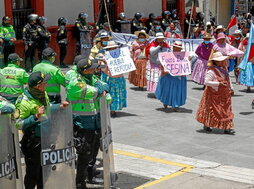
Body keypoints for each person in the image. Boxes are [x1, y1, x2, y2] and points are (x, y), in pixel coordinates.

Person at [15, 71, 69, 189]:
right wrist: (35, 117)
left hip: (46, 138)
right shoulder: (23, 101)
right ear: (38, 86)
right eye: (45, 83)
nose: (47, 84)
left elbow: (48, 109)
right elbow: (18, 124)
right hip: (33, 142)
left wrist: (59, 106)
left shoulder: (42, 93)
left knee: (45, 172)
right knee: (32, 173)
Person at [67, 59, 111, 189]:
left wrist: (103, 89)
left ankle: (89, 175)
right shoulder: (76, 83)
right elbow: (95, 91)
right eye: (92, 69)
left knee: (93, 153)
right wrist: (101, 90)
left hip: (95, 123)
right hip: (83, 124)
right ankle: (80, 182)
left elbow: (105, 87)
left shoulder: (91, 79)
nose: (94, 71)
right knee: (84, 155)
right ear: (85, 71)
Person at [196, 52, 235, 135]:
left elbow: (229, 78)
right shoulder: (211, 71)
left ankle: (227, 127)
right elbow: (206, 82)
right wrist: (218, 84)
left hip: (224, 94)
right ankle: (207, 124)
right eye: (220, 61)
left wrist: (231, 88)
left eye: (223, 60)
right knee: (211, 110)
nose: (222, 62)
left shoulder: (224, 69)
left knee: (226, 110)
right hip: (213, 94)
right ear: (215, 61)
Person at [155, 41, 187, 112]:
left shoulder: (183, 56)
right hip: (168, 75)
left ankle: (176, 105)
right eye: (176, 48)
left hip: (178, 77)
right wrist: (163, 69)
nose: (178, 49)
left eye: (179, 48)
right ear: (173, 47)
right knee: (167, 90)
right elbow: (160, 62)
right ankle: (165, 101)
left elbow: (186, 66)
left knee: (177, 91)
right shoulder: (167, 55)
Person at [101, 41, 127, 117]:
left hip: (120, 78)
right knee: (112, 94)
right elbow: (103, 70)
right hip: (111, 79)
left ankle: (115, 108)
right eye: (111, 48)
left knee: (119, 93)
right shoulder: (105, 57)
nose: (113, 49)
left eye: (114, 48)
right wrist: (105, 63)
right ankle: (112, 109)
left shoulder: (121, 56)